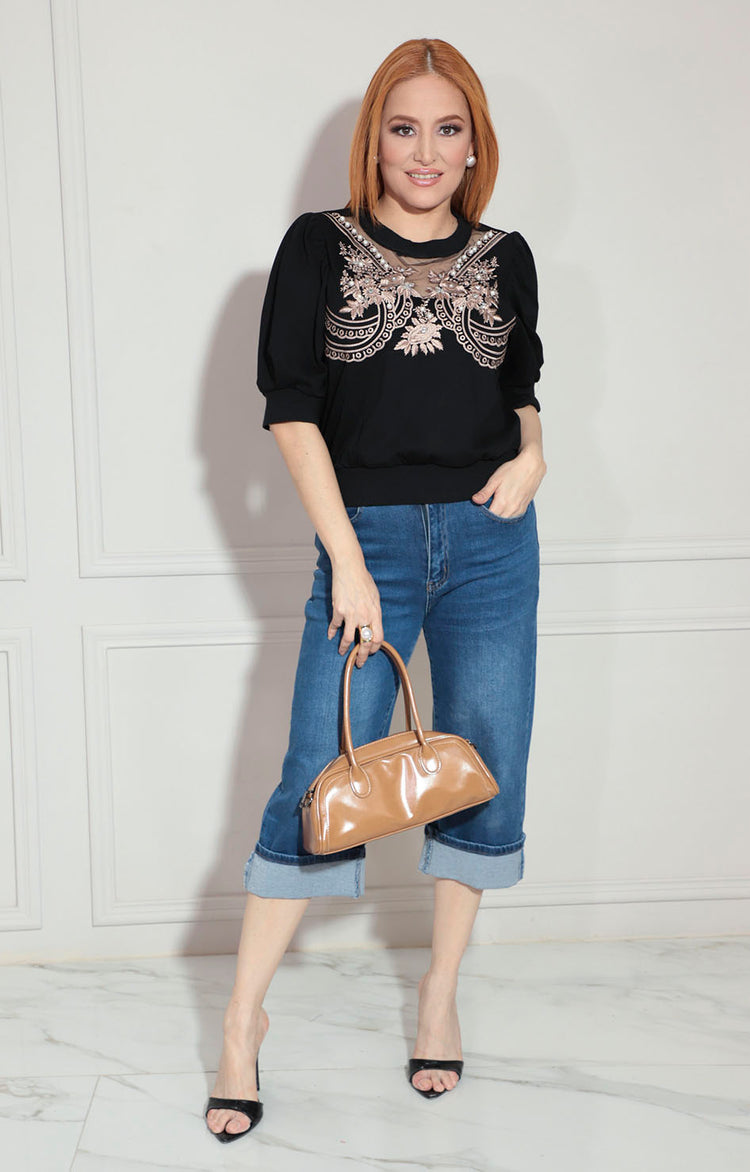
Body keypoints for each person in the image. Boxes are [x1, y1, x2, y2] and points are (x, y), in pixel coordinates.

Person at [205, 36, 546, 1142]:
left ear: (474, 144)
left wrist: (536, 452)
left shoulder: (506, 255)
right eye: (405, 128)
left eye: (449, 129)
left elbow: (521, 385)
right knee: (317, 772)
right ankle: (242, 1024)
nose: (426, 151)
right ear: (375, 140)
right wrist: (347, 557)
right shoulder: (320, 245)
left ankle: (439, 996)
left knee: (486, 768)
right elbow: (290, 407)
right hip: (372, 547)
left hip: (495, 541)